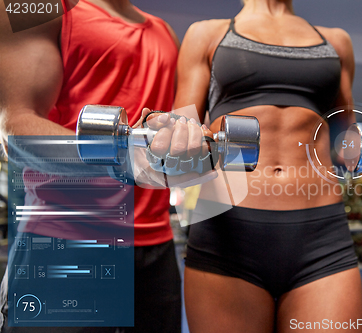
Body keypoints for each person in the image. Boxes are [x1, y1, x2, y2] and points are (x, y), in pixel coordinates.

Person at [173, 0, 362, 332]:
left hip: (321, 236)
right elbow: (180, 134)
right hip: (226, 230)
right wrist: (170, 135)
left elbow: (346, 146)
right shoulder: (207, 33)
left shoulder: (336, 41)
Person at [0, 0, 208, 331]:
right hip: (65, 238)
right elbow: (17, 128)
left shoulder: (164, 32)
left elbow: (172, 139)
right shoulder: (40, 8)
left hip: (155, 248)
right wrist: (125, 157)